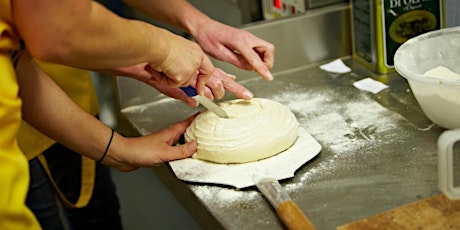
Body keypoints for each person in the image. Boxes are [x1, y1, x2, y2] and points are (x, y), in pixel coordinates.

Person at [2, 1, 275, 229]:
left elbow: (15, 63)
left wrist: (195, 23)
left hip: (52, 102)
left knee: (98, 216)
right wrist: (162, 46)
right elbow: (55, 28)